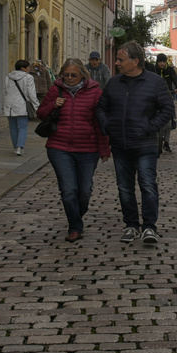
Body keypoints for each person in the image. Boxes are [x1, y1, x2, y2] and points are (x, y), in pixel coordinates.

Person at [94, 42, 175, 245]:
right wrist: (107, 125)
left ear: (135, 61)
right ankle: (131, 224)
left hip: (145, 143)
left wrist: (150, 127)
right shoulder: (113, 83)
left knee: (147, 184)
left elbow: (167, 109)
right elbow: (101, 108)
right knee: (124, 187)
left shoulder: (155, 82)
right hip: (120, 144)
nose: (116, 62)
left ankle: (149, 227)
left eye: (121, 59)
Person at [38, 58, 108, 241]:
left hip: (88, 148)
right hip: (59, 147)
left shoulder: (95, 93)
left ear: (82, 75)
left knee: (84, 191)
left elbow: (99, 123)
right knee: (68, 189)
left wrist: (104, 149)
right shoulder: (56, 90)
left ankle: (76, 216)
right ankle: (75, 226)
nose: (69, 78)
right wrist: (54, 105)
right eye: (66, 75)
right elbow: (40, 113)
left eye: (73, 75)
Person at [2, 59, 39, 156]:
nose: (29, 69)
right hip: (21, 104)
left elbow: (5, 90)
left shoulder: (8, 77)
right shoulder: (28, 77)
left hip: (9, 104)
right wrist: (36, 105)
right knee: (23, 127)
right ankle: (20, 147)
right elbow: (31, 93)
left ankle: (15, 147)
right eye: (28, 67)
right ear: (23, 68)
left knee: (13, 127)